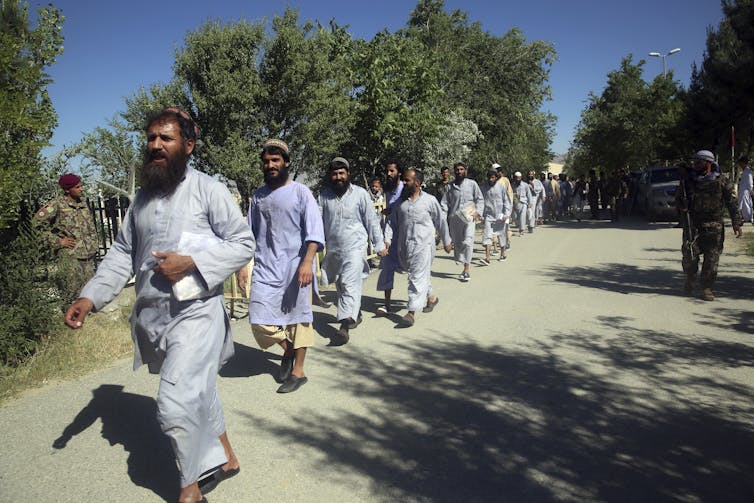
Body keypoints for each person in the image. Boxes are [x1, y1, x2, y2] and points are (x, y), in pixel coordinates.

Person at [64, 109, 255, 503]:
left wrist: (193, 263)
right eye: (151, 138)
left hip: (197, 314)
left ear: (188, 145)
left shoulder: (208, 190)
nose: (155, 146)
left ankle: (190, 491)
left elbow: (243, 243)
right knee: (197, 392)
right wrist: (90, 297)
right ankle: (228, 459)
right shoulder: (140, 201)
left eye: (165, 139)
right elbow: (121, 254)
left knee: (174, 402)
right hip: (155, 317)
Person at [239, 138, 325, 393]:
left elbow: (314, 231)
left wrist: (307, 262)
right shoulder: (258, 196)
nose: (270, 165)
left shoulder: (301, 192)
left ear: (286, 162)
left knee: (299, 320)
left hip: (296, 267)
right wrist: (244, 265)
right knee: (258, 320)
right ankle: (287, 350)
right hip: (266, 268)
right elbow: (249, 234)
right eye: (266, 162)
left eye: (275, 161)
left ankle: (298, 372)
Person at [318, 157, 387, 346]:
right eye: (334, 174)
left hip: (355, 247)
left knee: (349, 282)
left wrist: (379, 244)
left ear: (348, 174)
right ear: (330, 176)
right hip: (334, 249)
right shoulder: (324, 196)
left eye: (342, 173)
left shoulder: (360, 194)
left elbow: (371, 221)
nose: (338, 177)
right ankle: (355, 313)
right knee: (341, 285)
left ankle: (344, 327)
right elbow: (316, 222)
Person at [384, 169, 451, 327]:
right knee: (418, 274)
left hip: (424, 246)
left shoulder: (429, 200)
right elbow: (391, 223)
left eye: (407, 180)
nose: (403, 183)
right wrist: (386, 240)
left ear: (418, 183)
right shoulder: (400, 204)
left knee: (416, 276)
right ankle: (432, 297)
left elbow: (440, 221)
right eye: (403, 180)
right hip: (405, 247)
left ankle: (411, 312)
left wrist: (447, 241)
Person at [676, 150, 743, 301]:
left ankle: (706, 287)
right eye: (694, 162)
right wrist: (682, 207)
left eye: (699, 162)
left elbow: (732, 202)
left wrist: (736, 223)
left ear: (708, 163)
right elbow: (679, 198)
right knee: (689, 255)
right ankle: (690, 278)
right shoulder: (688, 181)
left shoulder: (721, 180)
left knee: (712, 258)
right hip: (693, 224)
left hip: (714, 224)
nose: (695, 165)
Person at [35, 173, 99, 298]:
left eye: (81, 186)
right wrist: (58, 241)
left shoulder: (83, 203)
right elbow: (36, 226)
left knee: (90, 292)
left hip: (88, 255)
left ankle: (90, 317)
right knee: (73, 292)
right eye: (77, 187)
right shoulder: (56, 205)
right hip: (71, 256)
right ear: (67, 190)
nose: (82, 189)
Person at [441, 162, 483, 282]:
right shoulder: (450, 186)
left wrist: (477, 212)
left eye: (461, 169)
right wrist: (442, 218)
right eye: (457, 170)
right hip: (455, 220)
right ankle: (461, 259)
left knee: (468, 242)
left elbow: (480, 199)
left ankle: (467, 269)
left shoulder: (472, 184)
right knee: (459, 244)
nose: (459, 172)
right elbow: (444, 203)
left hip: (469, 218)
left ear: (465, 170)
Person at [376, 161, 405, 314]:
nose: (389, 174)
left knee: (414, 268)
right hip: (392, 234)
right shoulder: (388, 191)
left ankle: (429, 295)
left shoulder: (405, 189)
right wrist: (386, 238)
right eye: (387, 171)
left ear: (399, 172)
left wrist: (392, 209)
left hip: (406, 235)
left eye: (392, 171)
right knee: (387, 266)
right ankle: (386, 304)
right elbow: (390, 218)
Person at [481, 168, 512, 263]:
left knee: (501, 235)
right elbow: (481, 201)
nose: (491, 179)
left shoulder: (501, 186)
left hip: (500, 215)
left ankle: (503, 254)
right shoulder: (484, 187)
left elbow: (507, 201)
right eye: (489, 177)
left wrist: (507, 214)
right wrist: (481, 214)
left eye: (493, 177)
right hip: (489, 216)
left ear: (496, 177)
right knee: (487, 235)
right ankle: (487, 258)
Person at [511, 171, 532, 237]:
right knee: (516, 217)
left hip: (523, 203)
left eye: (519, 178)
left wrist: (530, 202)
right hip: (515, 203)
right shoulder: (512, 185)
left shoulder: (525, 185)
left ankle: (521, 230)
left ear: (521, 178)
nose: (518, 179)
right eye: (516, 178)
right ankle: (519, 226)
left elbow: (529, 194)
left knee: (522, 216)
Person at [737, 156, 753, 225]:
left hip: (745, 192)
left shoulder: (747, 171)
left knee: (746, 206)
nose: (740, 165)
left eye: (740, 163)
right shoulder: (745, 171)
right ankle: (746, 218)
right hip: (742, 191)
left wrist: (751, 189)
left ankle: (749, 218)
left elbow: (750, 182)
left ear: (743, 163)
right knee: (743, 206)